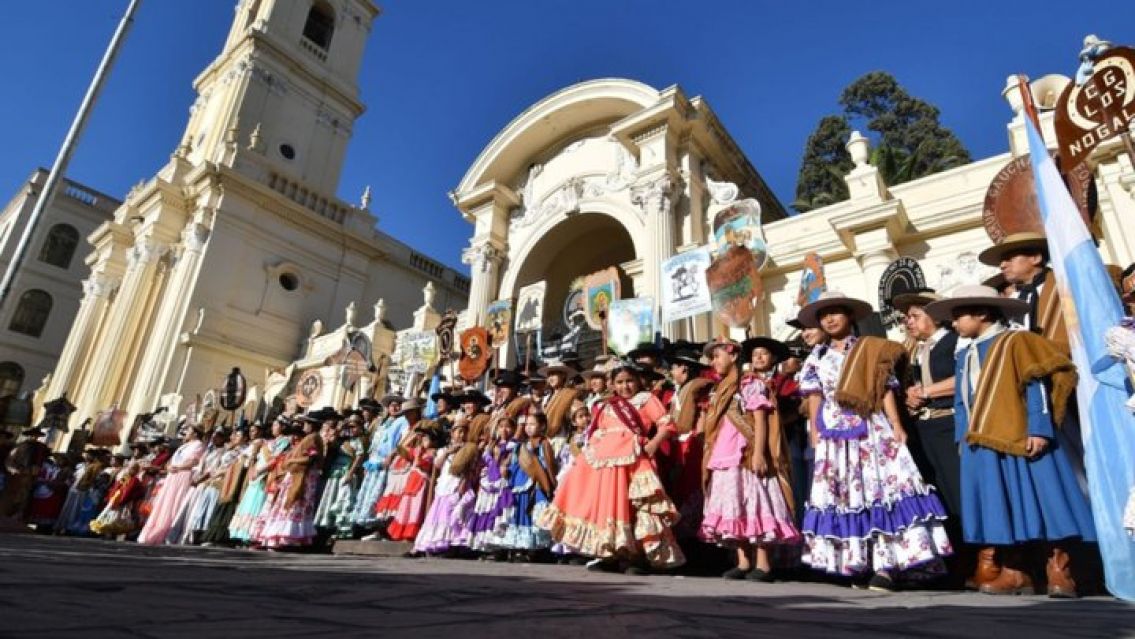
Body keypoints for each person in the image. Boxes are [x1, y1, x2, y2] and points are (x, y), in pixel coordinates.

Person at [926, 285, 1097, 598]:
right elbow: (963, 400)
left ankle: (1059, 567)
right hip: (982, 439)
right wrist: (962, 437)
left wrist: (1040, 429)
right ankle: (1016, 571)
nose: (954, 323)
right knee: (1001, 503)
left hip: (1019, 433)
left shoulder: (1015, 341)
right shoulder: (965, 353)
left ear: (982, 313)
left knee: (1043, 498)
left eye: (959, 315)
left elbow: (1036, 387)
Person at [797, 291, 952, 591]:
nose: (829, 319)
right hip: (834, 435)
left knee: (881, 490)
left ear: (850, 316)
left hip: (871, 428)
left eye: (835, 312)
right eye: (823, 315)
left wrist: (895, 423)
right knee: (848, 497)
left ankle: (887, 566)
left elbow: (885, 389)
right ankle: (861, 562)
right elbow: (815, 398)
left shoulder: (871, 348)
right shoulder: (816, 358)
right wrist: (815, 434)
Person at [538, 360, 684, 574]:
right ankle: (610, 553)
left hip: (633, 460)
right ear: (613, 384)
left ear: (638, 381)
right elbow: (597, 432)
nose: (625, 386)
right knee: (607, 507)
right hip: (605, 465)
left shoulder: (646, 400)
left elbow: (667, 424)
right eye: (620, 382)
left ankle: (636, 557)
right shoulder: (607, 405)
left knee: (633, 507)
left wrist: (653, 443)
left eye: (629, 381)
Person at [700, 339, 800, 580]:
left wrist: (758, 453)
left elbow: (761, 417)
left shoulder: (750, 383)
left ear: (733, 356)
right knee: (734, 502)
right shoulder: (721, 387)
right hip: (725, 452)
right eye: (712, 358)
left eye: (718, 356)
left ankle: (763, 564)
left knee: (755, 500)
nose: (714, 362)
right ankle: (743, 561)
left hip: (746, 450)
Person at [893, 289, 971, 585]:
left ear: (934, 316)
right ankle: (953, 563)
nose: (908, 323)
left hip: (948, 423)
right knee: (937, 493)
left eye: (914, 316)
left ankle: (978, 557)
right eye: (905, 319)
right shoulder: (916, 351)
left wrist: (925, 392)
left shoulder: (953, 342)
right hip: (924, 430)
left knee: (957, 491)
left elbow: (966, 376)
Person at [257, 420, 334, 549]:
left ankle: (290, 537)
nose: (304, 426)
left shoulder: (313, 438)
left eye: (306, 424)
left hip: (304, 476)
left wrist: (291, 460)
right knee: (289, 504)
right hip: (297, 474)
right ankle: (283, 536)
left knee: (297, 504)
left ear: (311, 425)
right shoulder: (309, 438)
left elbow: (310, 458)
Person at [494, 411, 557, 558]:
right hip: (520, 484)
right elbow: (514, 463)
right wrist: (507, 470)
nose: (528, 427)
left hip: (536, 485)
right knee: (520, 514)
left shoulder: (544, 444)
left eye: (532, 424)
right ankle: (520, 546)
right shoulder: (520, 446)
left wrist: (544, 479)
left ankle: (534, 548)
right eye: (526, 424)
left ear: (542, 426)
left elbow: (549, 465)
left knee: (534, 515)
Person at [413, 422, 475, 556]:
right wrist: (448, 452)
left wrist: (463, 484)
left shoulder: (468, 450)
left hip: (457, 485)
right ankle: (429, 544)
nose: (461, 435)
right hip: (444, 486)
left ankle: (450, 545)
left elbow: (469, 470)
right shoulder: (444, 450)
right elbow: (437, 464)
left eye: (464, 432)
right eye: (458, 431)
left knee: (451, 515)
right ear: (452, 433)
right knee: (437, 516)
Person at [137, 427, 206, 545]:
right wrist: (169, 467)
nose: (186, 433)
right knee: (164, 502)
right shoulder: (183, 446)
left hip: (183, 475)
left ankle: (167, 531)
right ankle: (152, 531)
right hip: (173, 475)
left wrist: (179, 468)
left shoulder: (198, 445)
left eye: (188, 431)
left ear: (195, 433)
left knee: (175, 502)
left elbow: (194, 461)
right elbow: (171, 461)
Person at [353, 397, 412, 535]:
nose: (395, 408)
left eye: (398, 405)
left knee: (378, 492)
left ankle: (375, 524)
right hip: (374, 460)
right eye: (392, 405)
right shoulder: (383, 422)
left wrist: (391, 456)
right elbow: (375, 442)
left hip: (386, 460)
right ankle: (364, 523)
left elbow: (401, 442)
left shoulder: (403, 421)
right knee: (368, 491)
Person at [376, 422, 440, 542]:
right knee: (405, 508)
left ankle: (411, 535)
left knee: (415, 509)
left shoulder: (432, 452)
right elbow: (401, 449)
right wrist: (413, 437)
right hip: (411, 482)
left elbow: (422, 464)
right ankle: (400, 533)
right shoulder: (417, 450)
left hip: (421, 483)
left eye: (426, 437)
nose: (423, 439)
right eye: (423, 437)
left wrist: (419, 453)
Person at [202, 424, 261, 546]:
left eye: (238, 435)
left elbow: (246, 463)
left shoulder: (251, 447)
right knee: (223, 506)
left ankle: (223, 538)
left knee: (229, 507)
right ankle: (214, 536)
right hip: (231, 477)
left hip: (237, 479)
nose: (234, 437)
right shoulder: (238, 449)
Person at [314, 413, 364, 539]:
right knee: (331, 497)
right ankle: (326, 526)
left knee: (343, 500)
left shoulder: (359, 441)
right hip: (335, 471)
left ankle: (341, 529)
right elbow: (330, 445)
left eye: (354, 427)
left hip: (346, 472)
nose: (351, 429)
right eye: (349, 427)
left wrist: (351, 473)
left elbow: (359, 457)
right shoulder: (342, 440)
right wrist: (340, 429)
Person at [0, 427, 51, 523]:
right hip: (16, 476)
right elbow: (10, 460)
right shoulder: (20, 446)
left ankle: (17, 518)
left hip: (30, 477)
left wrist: (38, 470)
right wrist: (14, 469)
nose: (34, 437)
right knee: (10, 497)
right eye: (32, 435)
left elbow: (42, 462)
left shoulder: (41, 448)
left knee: (25, 498)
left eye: (36, 435)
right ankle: (4, 516)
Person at [90, 461, 146, 538]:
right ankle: (107, 531)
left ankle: (115, 533)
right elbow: (116, 487)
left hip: (124, 502)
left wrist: (124, 500)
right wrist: (110, 497)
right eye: (129, 468)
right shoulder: (125, 477)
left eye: (133, 469)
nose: (130, 470)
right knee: (110, 515)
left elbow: (133, 492)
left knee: (120, 517)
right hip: (115, 499)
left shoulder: (135, 481)